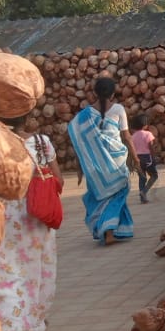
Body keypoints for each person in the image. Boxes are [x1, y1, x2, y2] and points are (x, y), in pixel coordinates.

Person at [0, 116, 58, 331]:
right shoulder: (42, 142)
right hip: (38, 219)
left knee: (6, 277)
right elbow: (58, 179)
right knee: (36, 274)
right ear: (27, 118)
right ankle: (34, 321)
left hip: (5, 220)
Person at [66, 77, 138, 244]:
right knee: (118, 193)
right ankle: (109, 230)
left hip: (95, 165)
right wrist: (136, 158)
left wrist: (79, 168)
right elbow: (126, 136)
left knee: (101, 196)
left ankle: (111, 229)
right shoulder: (118, 109)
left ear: (94, 93)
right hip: (116, 162)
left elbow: (79, 143)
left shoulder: (84, 116)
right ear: (112, 93)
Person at [131, 114, 160, 203]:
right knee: (154, 175)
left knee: (142, 178)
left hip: (137, 158)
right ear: (145, 125)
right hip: (147, 157)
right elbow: (151, 147)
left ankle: (142, 198)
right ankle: (144, 191)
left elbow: (132, 148)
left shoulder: (133, 136)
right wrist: (153, 157)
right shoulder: (148, 134)